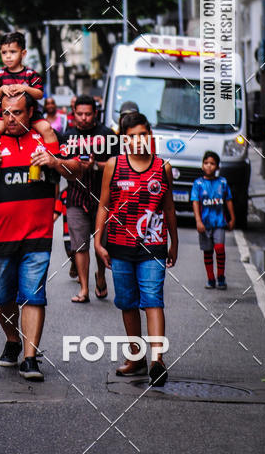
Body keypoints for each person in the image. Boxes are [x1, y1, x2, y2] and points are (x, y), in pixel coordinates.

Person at [0, 91, 74, 382]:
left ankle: (29, 358)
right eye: (6, 114)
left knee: (33, 295)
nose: (11, 119)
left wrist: (54, 162)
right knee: (3, 297)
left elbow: (77, 170)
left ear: (31, 114)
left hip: (37, 235)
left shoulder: (46, 140)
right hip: (1, 236)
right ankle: (13, 339)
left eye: (17, 113)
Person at [95, 111, 178, 387]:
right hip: (119, 245)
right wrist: (98, 240)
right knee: (127, 302)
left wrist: (174, 242)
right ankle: (136, 357)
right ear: (123, 139)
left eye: (143, 134)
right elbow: (104, 205)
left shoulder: (162, 167)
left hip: (153, 244)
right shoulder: (113, 165)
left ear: (150, 135)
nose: (138, 140)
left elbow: (168, 208)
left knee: (153, 298)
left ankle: (157, 361)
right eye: (132, 136)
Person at [59, 95, 113, 302]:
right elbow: (61, 164)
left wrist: (95, 165)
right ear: (74, 114)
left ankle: (101, 276)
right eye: (79, 114)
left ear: (95, 114)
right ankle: (84, 289)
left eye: (88, 114)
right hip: (75, 198)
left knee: (102, 244)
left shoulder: (108, 135)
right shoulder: (67, 136)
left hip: (103, 200)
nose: (83, 118)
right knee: (79, 245)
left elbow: (118, 165)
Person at [0, 31, 57, 151]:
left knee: (46, 129)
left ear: (23, 53)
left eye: (13, 52)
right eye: (4, 52)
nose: (8, 56)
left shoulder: (31, 74)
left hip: (31, 116)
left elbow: (39, 94)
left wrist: (25, 88)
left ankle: (54, 157)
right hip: (5, 117)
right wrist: (2, 89)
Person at [191, 152, 235, 289]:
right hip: (205, 223)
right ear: (202, 165)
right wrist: (198, 221)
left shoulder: (222, 182)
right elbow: (195, 202)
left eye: (212, 163)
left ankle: (221, 276)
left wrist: (232, 218)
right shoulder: (198, 184)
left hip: (219, 223)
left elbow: (228, 200)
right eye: (206, 163)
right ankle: (211, 278)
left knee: (220, 248)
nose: (209, 166)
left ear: (217, 166)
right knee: (208, 251)